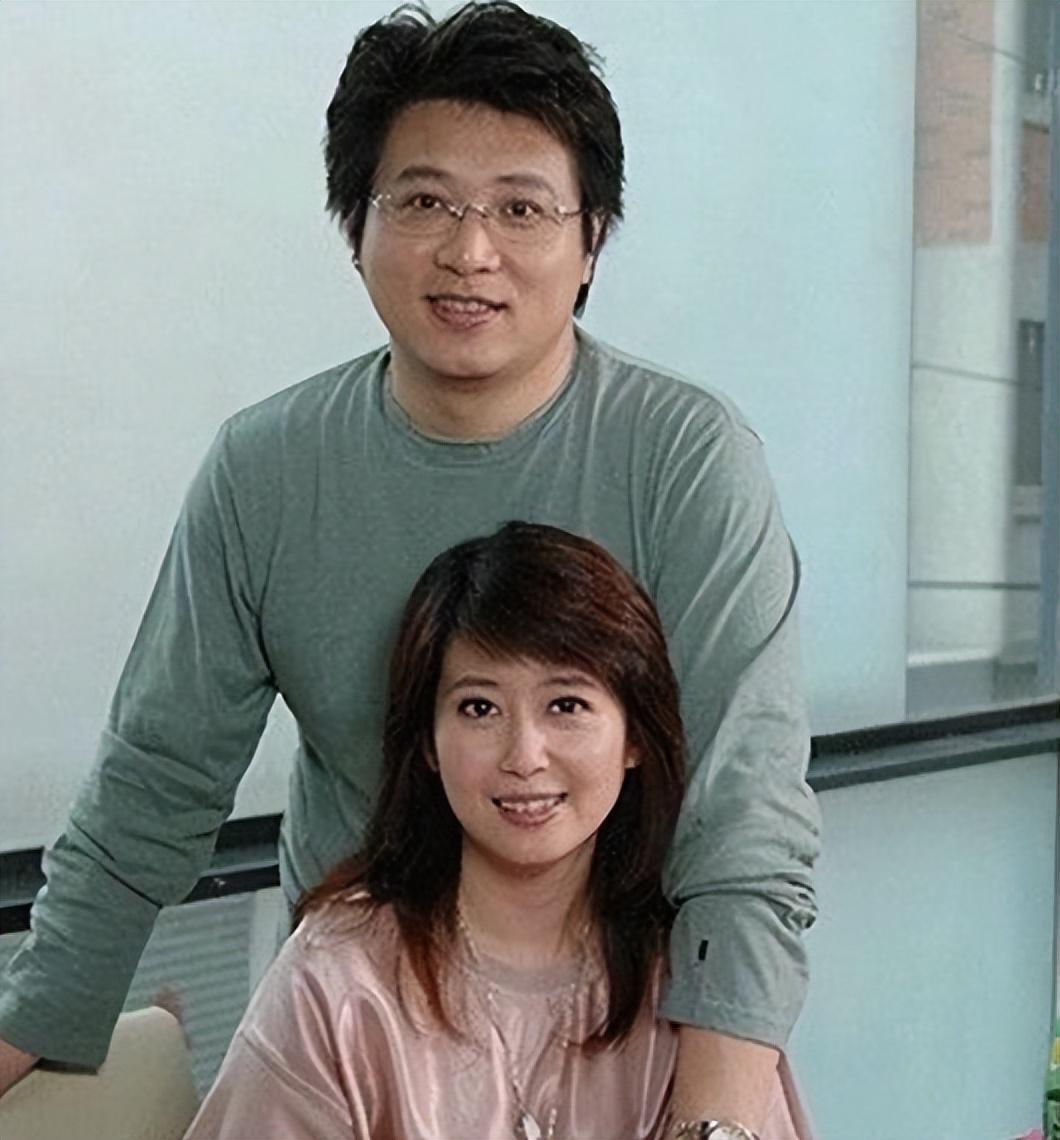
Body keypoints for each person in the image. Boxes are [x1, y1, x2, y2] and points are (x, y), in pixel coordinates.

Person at [0, 4, 821, 1135]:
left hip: (640, 1039)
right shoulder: (267, 470)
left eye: (521, 208)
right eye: (423, 201)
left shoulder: (686, 460)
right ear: (357, 228)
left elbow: (745, 821)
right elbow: (154, 787)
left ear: (591, 242)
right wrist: (29, 1026)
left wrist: (710, 1121)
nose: (469, 251)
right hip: (366, 1041)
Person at [183, 522, 810, 1140]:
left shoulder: (692, 981)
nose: (524, 756)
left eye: (566, 705)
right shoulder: (338, 981)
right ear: (428, 743)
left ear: (634, 739)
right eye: (479, 708)